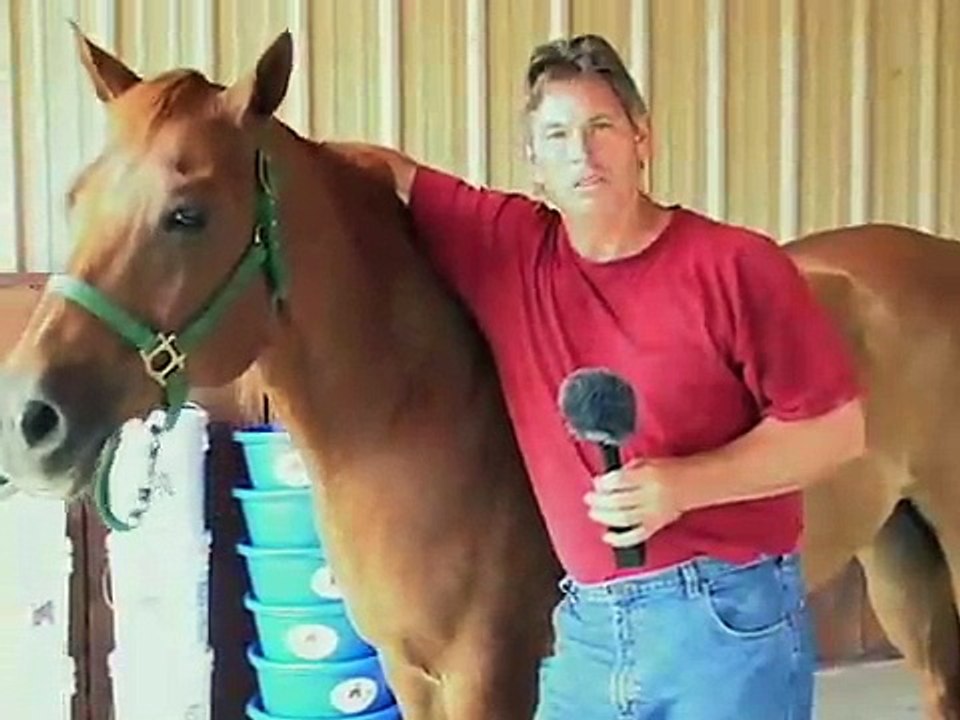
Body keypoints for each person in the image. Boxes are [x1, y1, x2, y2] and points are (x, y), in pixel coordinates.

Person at [350, 33, 865, 720]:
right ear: (535, 163)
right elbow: (390, 171)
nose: (583, 153)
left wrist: (682, 485)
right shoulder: (509, 247)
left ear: (641, 139)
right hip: (587, 628)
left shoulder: (735, 264)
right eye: (557, 135)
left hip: (725, 619)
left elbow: (836, 431)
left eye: (601, 127)